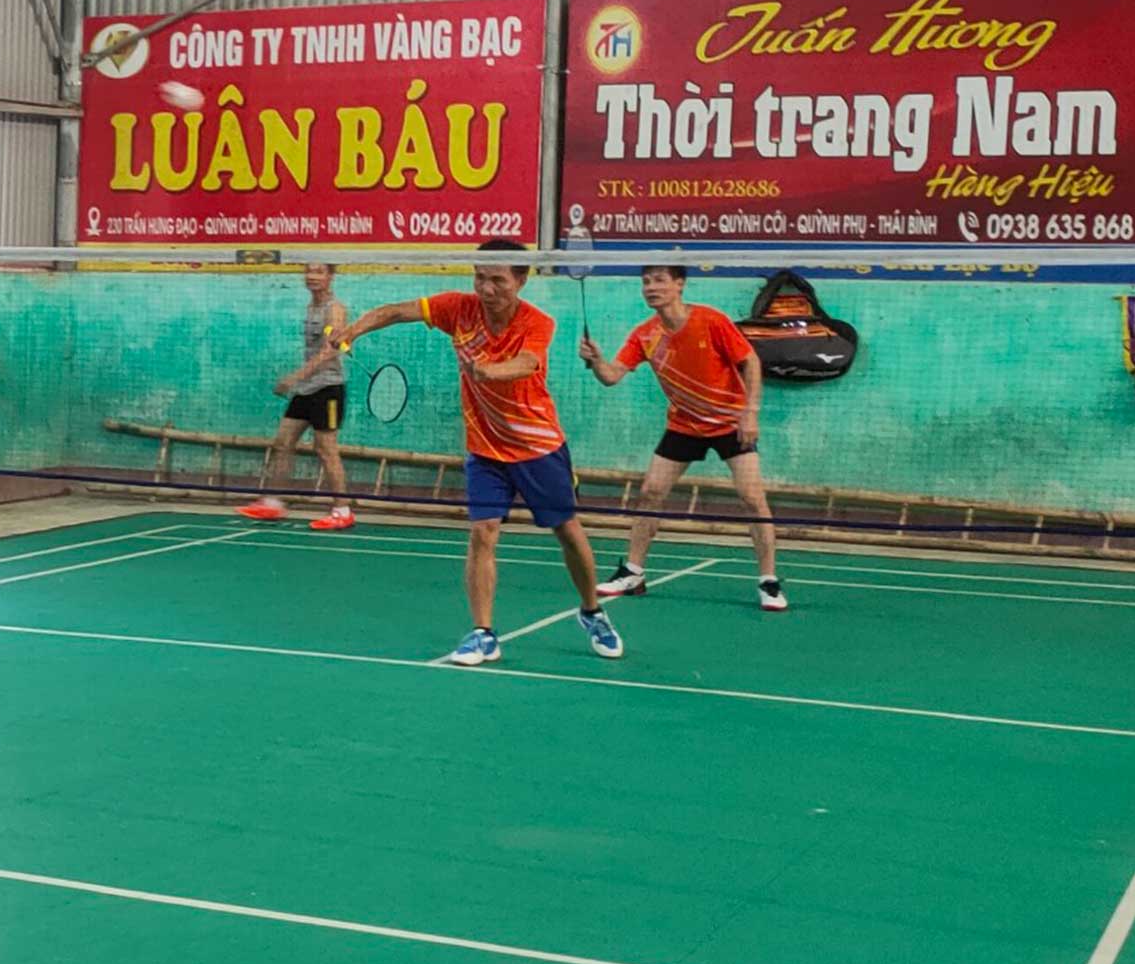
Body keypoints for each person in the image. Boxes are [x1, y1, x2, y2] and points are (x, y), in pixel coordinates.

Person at [314, 240, 623, 666]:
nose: (486, 288)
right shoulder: (458, 309)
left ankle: (592, 611)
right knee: (483, 532)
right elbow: (397, 311)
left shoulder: (537, 322)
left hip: (537, 445)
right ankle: (483, 633)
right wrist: (353, 331)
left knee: (567, 530)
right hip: (485, 447)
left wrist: (488, 371)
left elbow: (528, 363)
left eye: (498, 280)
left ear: (521, 280)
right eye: (480, 277)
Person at [580, 264, 787, 612]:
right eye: (646, 281)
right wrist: (597, 360)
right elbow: (612, 376)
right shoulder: (645, 335)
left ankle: (769, 580)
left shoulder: (711, 320)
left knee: (752, 497)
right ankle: (633, 573)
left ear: (680, 284)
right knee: (650, 492)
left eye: (659, 280)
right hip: (684, 424)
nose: (651, 287)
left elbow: (750, 361)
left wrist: (750, 412)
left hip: (730, 422)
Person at [239, 262, 355, 531]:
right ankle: (273, 503)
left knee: (325, 449)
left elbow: (330, 351)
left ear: (331, 276)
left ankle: (342, 510)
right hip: (306, 389)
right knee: (283, 442)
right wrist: (301, 381)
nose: (312, 276)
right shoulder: (311, 307)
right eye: (308, 271)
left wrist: (295, 377)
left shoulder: (335, 310)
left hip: (328, 389)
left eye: (319, 272)